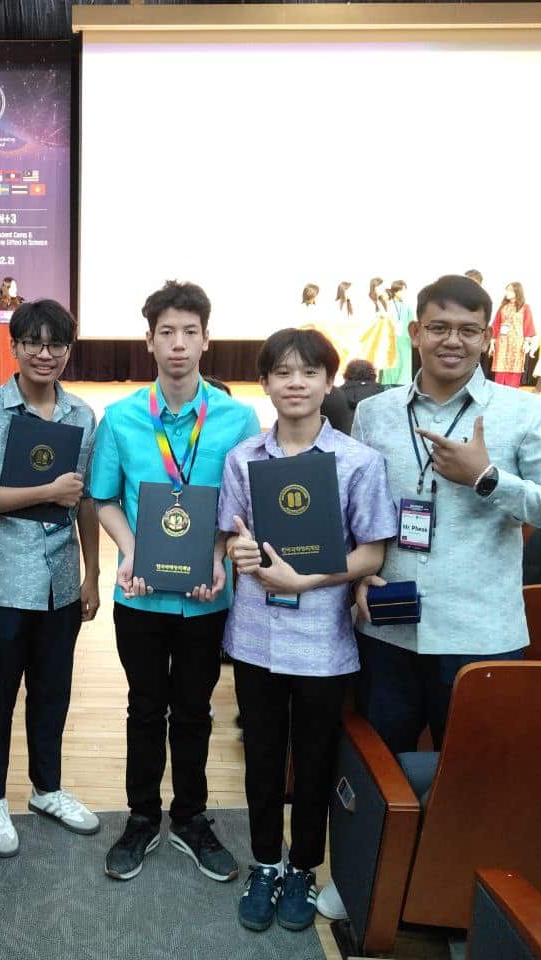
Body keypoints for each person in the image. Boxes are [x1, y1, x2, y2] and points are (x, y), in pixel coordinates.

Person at [316, 274, 541, 923]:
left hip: (481, 633)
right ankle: (360, 879)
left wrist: (490, 479)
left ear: (486, 338)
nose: (453, 341)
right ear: (415, 332)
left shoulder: (525, 413)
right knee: (375, 766)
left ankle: (456, 895)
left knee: (475, 776)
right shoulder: (377, 412)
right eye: (439, 327)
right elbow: (360, 509)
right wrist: (357, 576)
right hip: (388, 624)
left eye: (469, 330)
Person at [220, 328, 396, 934]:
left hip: (323, 640)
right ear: (264, 383)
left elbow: (372, 552)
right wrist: (241, 552)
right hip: (255, 636)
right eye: (282, 372)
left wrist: (305, 579)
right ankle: (265, 863)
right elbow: (233, 537)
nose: (295, 383)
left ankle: (302, 868)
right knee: (262, 759)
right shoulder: (242, 458)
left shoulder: (358, 461)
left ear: (328, 382)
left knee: (315, 762)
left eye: (308, 372)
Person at [87, 279, 260, 883]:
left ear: (207, 339)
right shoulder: (122, 418)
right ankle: (141, 817)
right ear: (149, 341)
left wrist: (217, 552)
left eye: (190, 332)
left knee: (193, 710)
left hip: (207, 596)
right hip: (139, 595)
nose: (179, 344)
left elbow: (241, 506)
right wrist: (131, 552)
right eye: (167, 333)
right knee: (143, 707)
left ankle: (189, 816)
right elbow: (104, 499)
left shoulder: (238, 419)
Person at [0, 299, 101, 859]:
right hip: (4, 576)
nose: (45, 354)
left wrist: (92, 574)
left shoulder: (82, 415)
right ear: (15, 347)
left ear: (68, 349)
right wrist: (46, 492)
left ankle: (47, 788)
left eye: (56, 344)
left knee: (53, 690)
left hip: (60, 579)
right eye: (33, 343)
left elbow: (86, 499)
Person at [489, 282, 535, 388]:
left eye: (510, 290)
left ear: (517, 291)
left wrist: (527, 343)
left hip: (517, 343)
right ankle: (499, 391)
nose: (507, 292)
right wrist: (492, 342)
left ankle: (512, 392)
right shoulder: (503, 307)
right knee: (500, 367)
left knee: (514, 367)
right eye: (507, 290)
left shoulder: (525, 307)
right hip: (502, 342)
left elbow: (528, 325)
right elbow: (496, 324)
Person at [380, 280, 414, 386]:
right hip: (390, 340)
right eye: (403, 291)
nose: (404, 294)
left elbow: (412, 324)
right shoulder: (387, 305)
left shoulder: (407, 306)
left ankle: (404, 386)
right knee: (390, 364)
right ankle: (388, 385)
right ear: (396, 291)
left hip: (405, 340)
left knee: (405, 365)